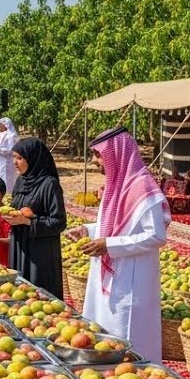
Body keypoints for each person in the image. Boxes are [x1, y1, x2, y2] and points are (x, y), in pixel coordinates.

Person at [66, 127, 170, 359]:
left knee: (127, 339)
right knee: (104, 333)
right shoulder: (117, 184)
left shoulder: (142, 186)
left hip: (131, 279)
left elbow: (156, 235)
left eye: (98, 155)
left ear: (115, 154)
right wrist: (88, 230)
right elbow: (116, 224)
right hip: (109, 273)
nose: (94, 162)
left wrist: (110, 245)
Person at [4, 137, 66, 298]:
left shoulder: (49, 185)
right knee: (20, 292)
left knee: (40, 296)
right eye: (14, 157)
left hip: (40, 252)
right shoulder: (21, 181)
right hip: (19, 245)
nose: (14, 162)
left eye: (19, 158)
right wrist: (10, 215)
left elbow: (59, 223)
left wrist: (29, 221)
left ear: (33, 158)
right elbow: (16, 207)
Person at [0, 117, 20, 192]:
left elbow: (10, 149)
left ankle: (8, 193)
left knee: (7, 177)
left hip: (7, 161)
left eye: (0, 125)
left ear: (5, 125)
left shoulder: (11, 136)